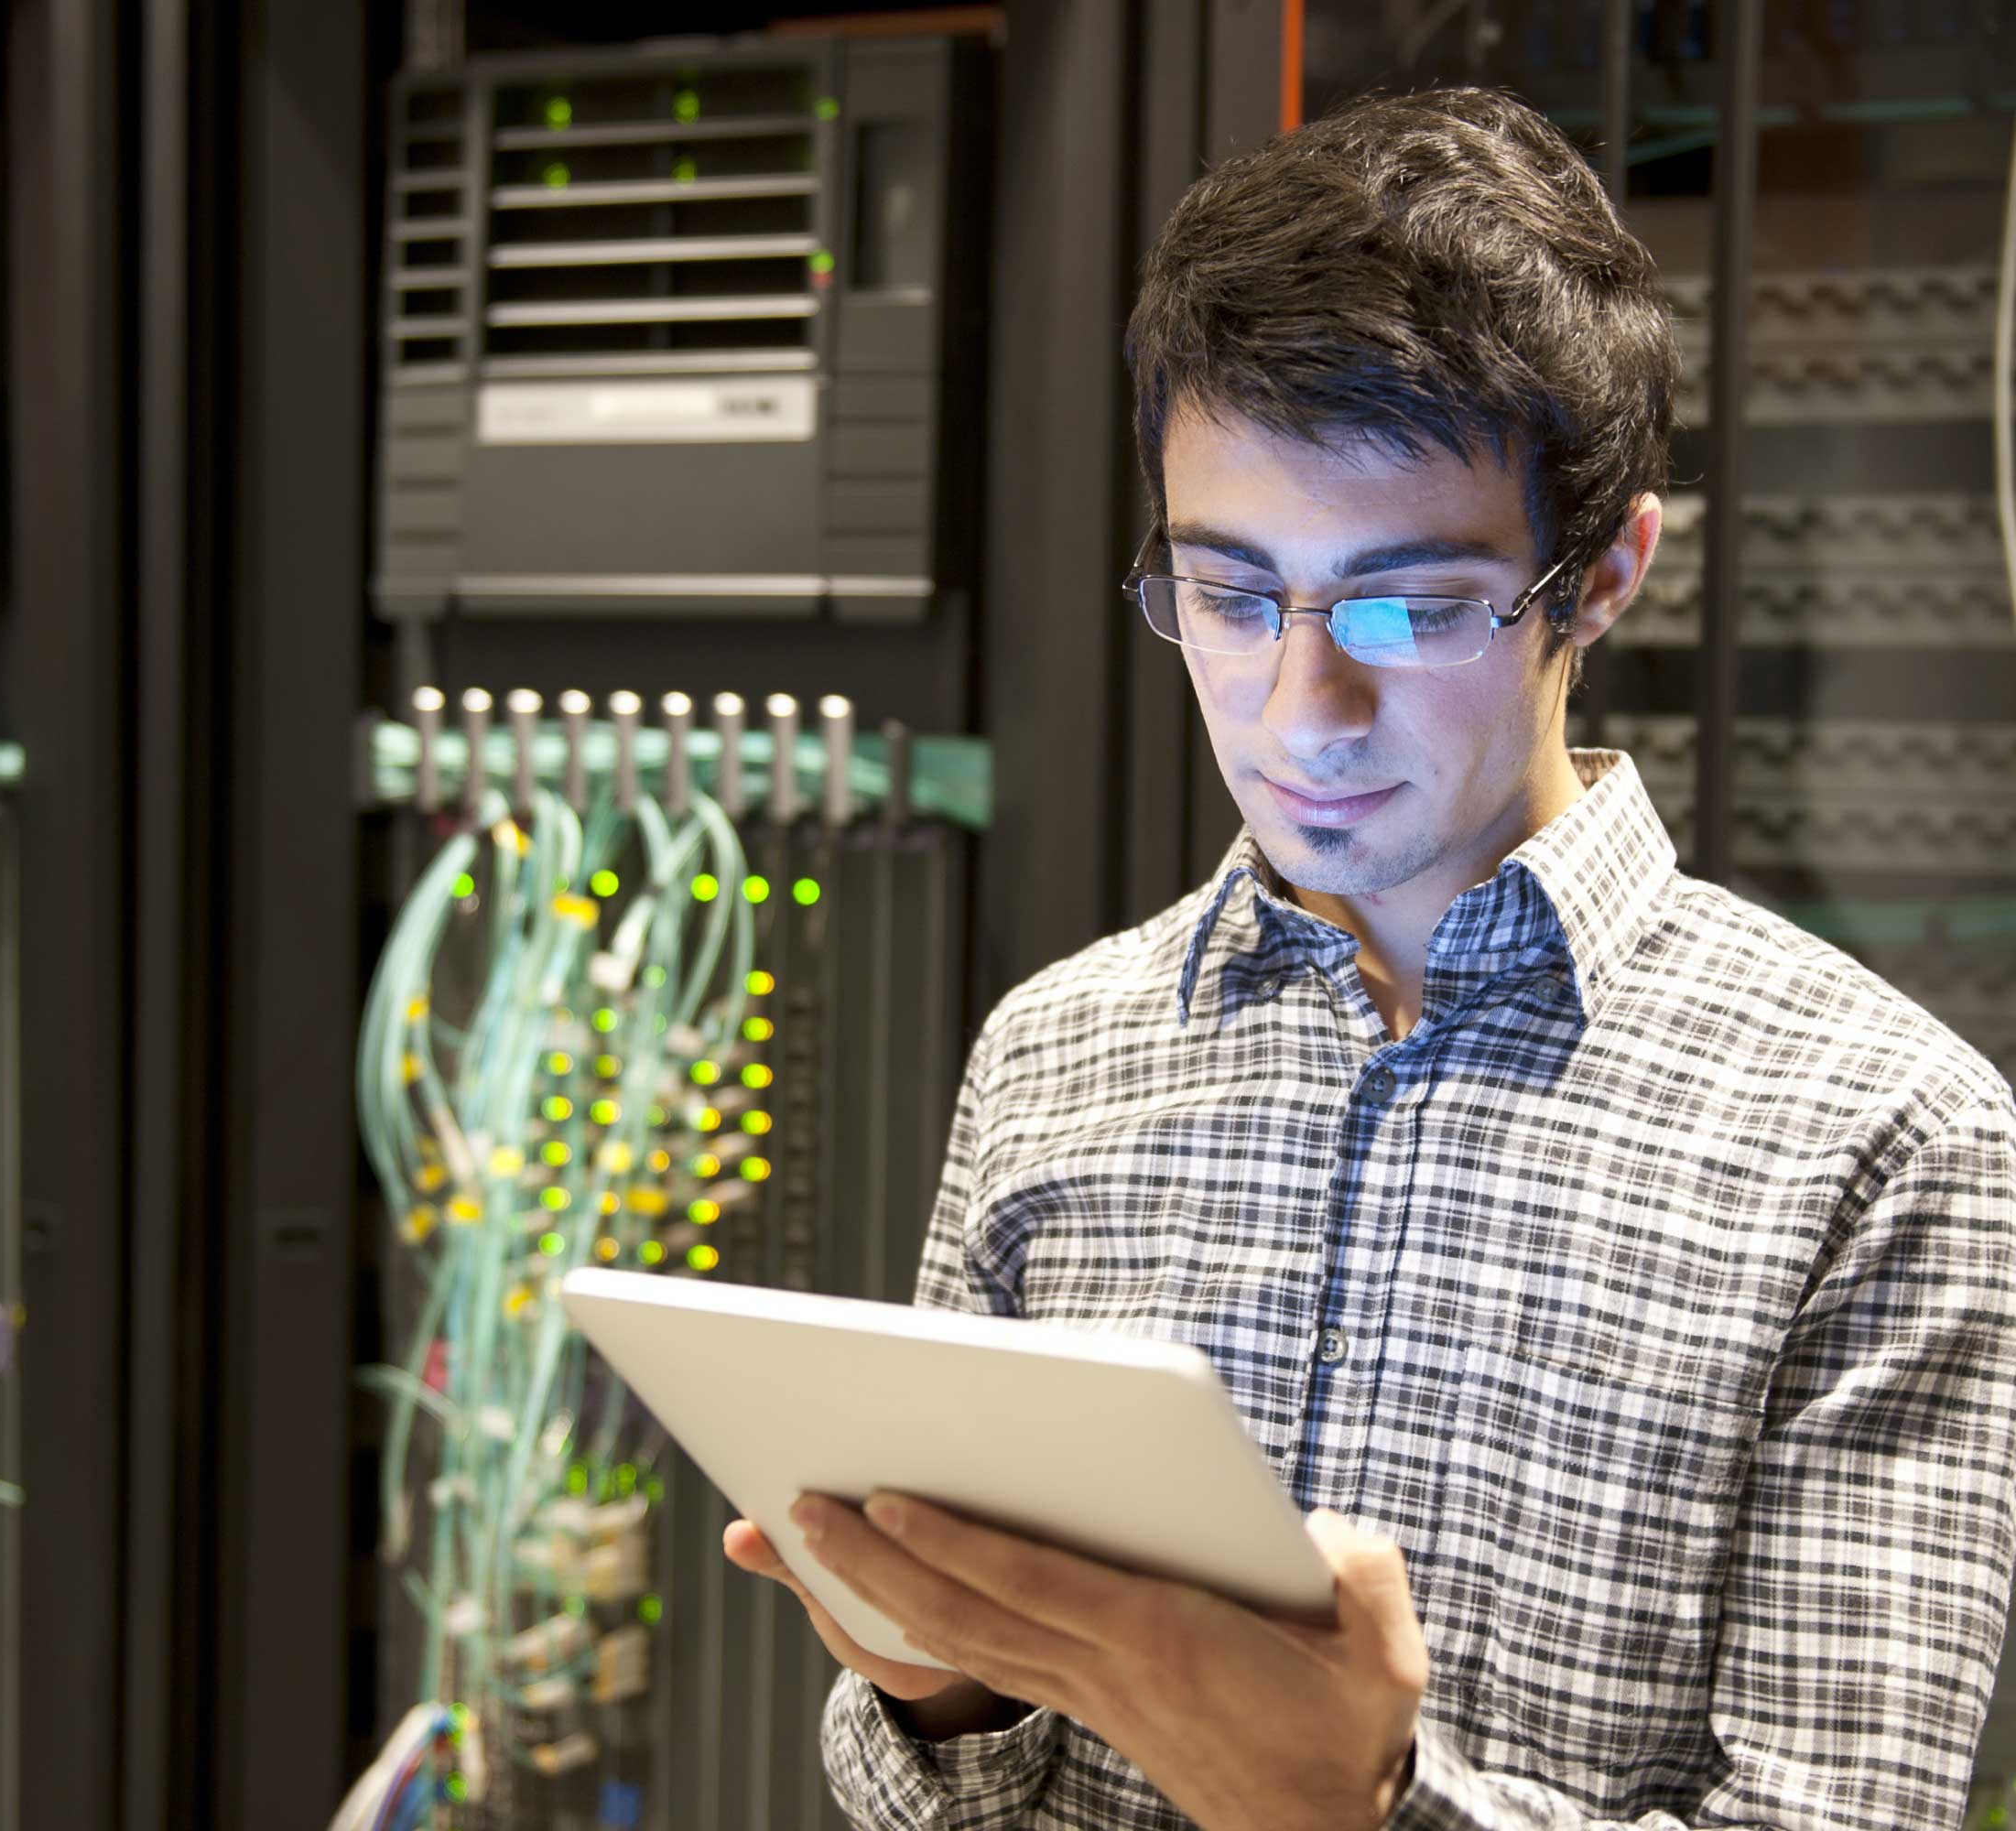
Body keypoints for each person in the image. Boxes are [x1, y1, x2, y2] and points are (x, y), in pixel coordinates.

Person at [722, 85, 2016, 1829]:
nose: (1299, 706)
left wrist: (1358, 1806)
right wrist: (945, 1683)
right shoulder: (1056, 1058)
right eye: (1231, 593)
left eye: (1408, 605)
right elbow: (944, 1801)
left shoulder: (1884, 1141)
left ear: (1603, 575)